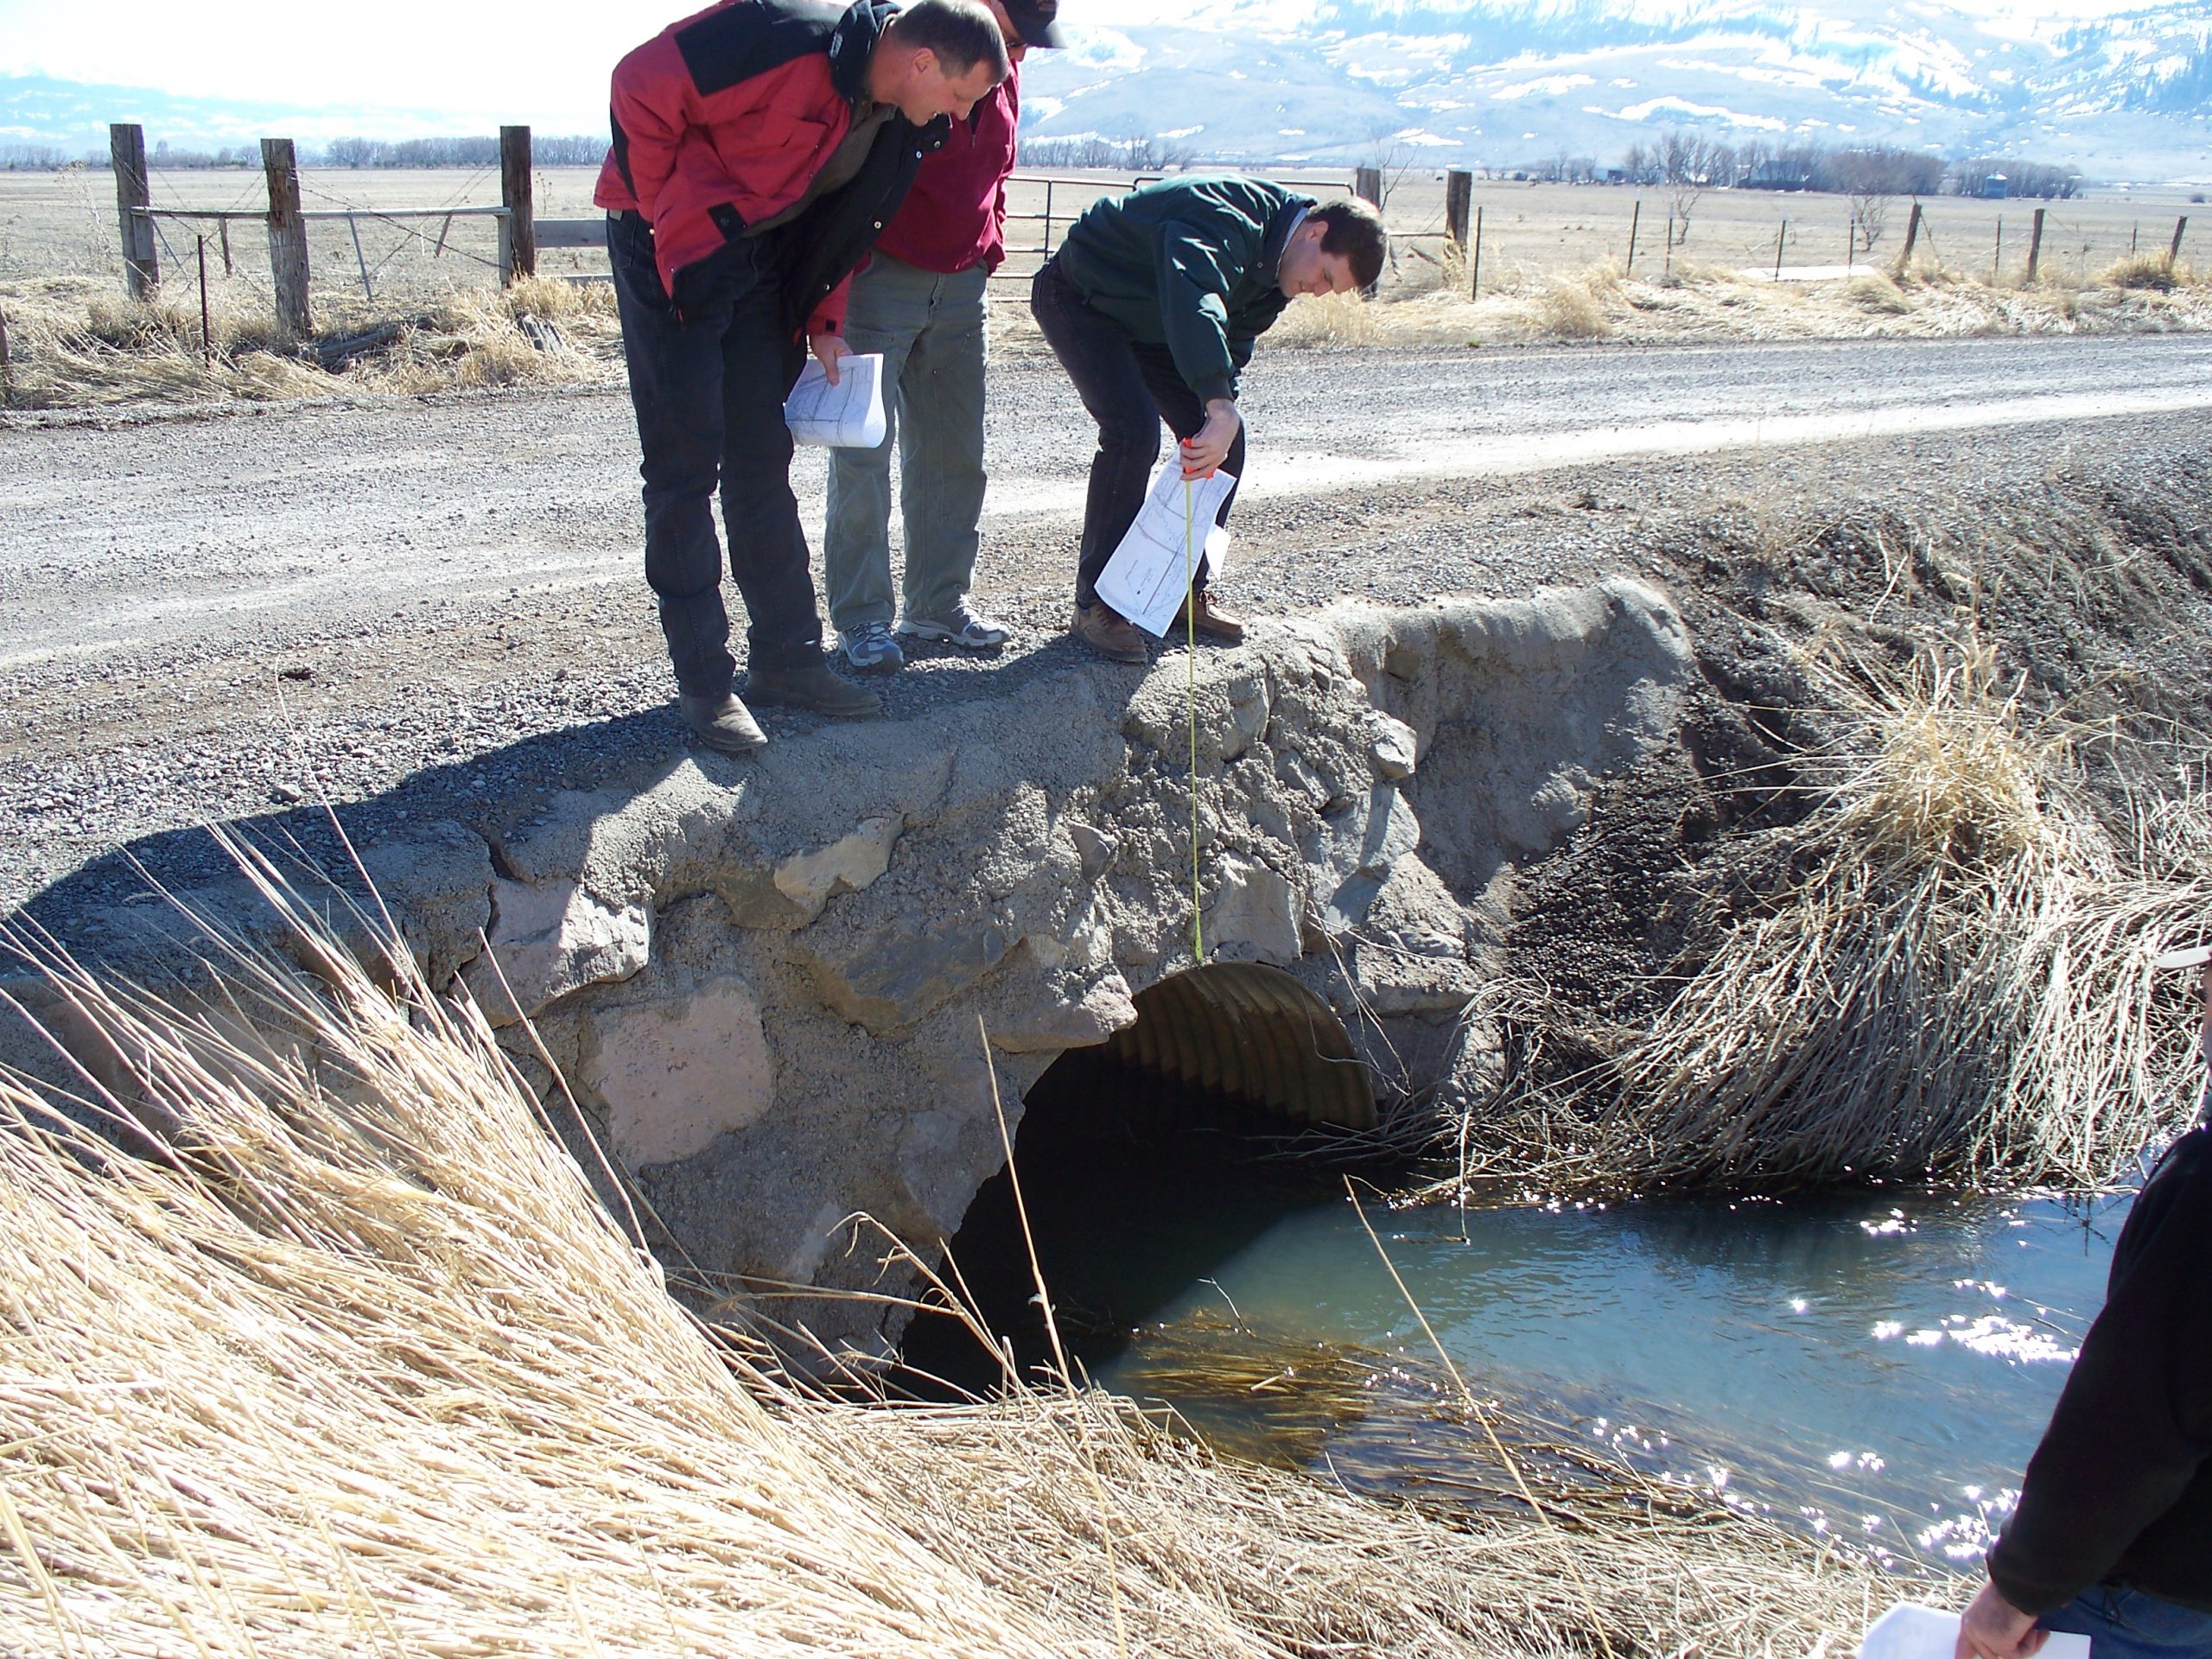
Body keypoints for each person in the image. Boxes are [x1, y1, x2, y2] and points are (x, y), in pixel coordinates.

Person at [598, 0, 1009, 753]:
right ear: (922, 63)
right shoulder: (784, 30)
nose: (960, 115)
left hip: (760, 258)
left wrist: (825, 318)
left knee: (761, 456)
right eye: (960, 96)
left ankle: (788, 660)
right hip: (671, 249)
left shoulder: (899, 119)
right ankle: (705, 684)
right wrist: (668, 220)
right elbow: (639, 81)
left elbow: (849, 222)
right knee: (685, 464)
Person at [1955, 940, 2212, 1659]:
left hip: (2160, 1604)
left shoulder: (2205, 1189)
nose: (2199, 1014)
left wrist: (2015, 1591)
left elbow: (2131, 1430)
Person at [1028, 176, 1388, 664]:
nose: (1318, 292)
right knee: (1132, 431)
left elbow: (1232, 339)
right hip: (1085, 298)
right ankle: (1097, 606)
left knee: (1225, 446)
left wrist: (1220, 409)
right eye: (1325, 276)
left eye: (1330, 289)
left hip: (1154, 324)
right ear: (1314, 231)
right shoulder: (1223, 218)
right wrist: (1217, 403)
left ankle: (1182, 593)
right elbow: (1192, 298)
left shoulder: (1281, 269)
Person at [820, 0, 1065, 675]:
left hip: (962, 284)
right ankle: (863, 619)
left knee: (956, 450)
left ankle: (936, 604)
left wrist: (989, 248)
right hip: (883, 275)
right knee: (863, 453)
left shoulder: (1004, 69)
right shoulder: (926, 52)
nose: (1021, 56)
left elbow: (998, 171)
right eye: (1017, 38)